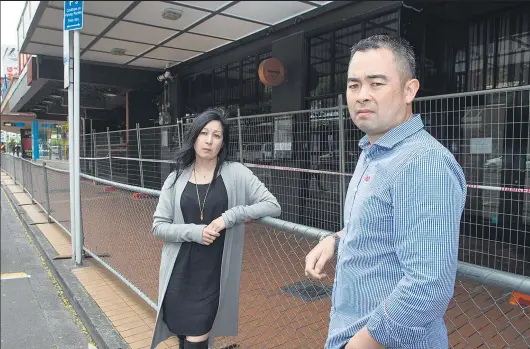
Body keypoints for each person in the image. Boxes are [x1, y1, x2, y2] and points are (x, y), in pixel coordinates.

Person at [304, 34, 467, 349]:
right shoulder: (372, 151)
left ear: (410, 90)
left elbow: (428, 286)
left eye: (376, 83)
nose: (362, 95)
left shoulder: (423, 163)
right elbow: (380, 225)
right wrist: (335, 240)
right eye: (354, 85)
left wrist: (359, 345)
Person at [150, 108, 281, 349]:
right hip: (178, 275)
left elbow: (272, 205)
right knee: (184, 338)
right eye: (204, 133)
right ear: (194, 136)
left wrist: (229, 217)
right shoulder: (176, 177)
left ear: (223, 142)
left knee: (197, 339)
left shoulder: (236, 172)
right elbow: (159, 227)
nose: (209, 140)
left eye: (217, 135)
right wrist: (195, 232)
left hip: (212, 277)